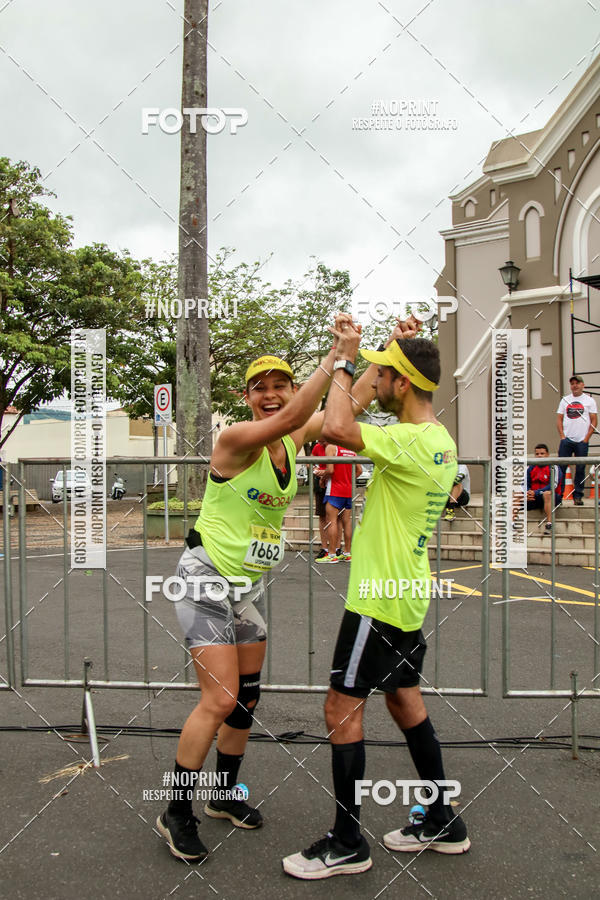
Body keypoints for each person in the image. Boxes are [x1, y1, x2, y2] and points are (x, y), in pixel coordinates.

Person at [157, 320, 389, 863]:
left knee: (245, 700)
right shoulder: (235, 439)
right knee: (217, 699)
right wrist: (335, 354)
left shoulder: (294, 437)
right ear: (246, 397)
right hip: (204, 580)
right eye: (259, 387)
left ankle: (222, 796)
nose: (270, 395)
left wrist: (386, 354)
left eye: (279, 385)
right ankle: (174, 812)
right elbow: (299, 411)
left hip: (244, 590)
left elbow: (348, 399)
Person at [283, 316, 470, 881]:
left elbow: (339, 423)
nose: (377, 381)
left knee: (341, 707)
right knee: (405, 702)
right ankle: (442, 818)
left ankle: (346, 842)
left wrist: (342, 358)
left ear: (404, 385)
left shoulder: (409, 441)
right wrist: (383, 352)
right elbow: (362, 402)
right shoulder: (438, 440)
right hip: (405, 594)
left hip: (378, 602)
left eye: (386, 374)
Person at [316, 444, 362, 563]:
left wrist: (322, 478)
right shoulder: (351, 449)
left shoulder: (331, 447)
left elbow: (330, 470)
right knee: (347, 522)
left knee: (331, 521)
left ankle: (331, 554)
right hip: (348, 490)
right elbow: (359, 470)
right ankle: (347, 553)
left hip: (335, 489)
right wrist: (348, 479)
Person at [556, 375, 597, 505]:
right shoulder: (565, 400)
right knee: (561, 468)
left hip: (581, 441)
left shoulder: (589, 400)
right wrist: (562, 436)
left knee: (580, 468)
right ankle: (559, 496)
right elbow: (559, 419)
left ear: (582, 385)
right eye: (572, 383)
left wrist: (586, 438)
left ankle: (577, 496)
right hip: (567, 440)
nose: (575, 385)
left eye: (577, 383)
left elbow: (594, 420)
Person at [513, 444, 562, 534]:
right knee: (516, 495)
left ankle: (549, 524)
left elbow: (553, 485)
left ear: (547, 454)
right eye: (537, 454)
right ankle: (512, 525)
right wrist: (527, 492)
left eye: (542, 453)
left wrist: (536, 492)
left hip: (552, 497)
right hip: (534, 496)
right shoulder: (531, 467)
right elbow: (524, 483)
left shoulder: (553, 466)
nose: (539, 456)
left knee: (547, 493)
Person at [311, 439, 329, 559]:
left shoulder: (335, 446)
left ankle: (336, 548)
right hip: (321, 485)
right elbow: (310, 461)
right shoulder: (317, 447)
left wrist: (325, 473)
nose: (320, 442)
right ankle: (324, 548)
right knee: (322, 516)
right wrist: (316, 470)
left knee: (335, 518)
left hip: (333, 483)